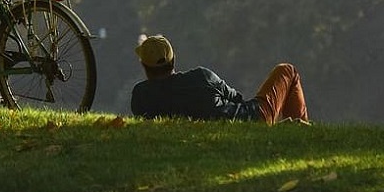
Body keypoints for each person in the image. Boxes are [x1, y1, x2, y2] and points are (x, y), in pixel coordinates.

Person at [130, 34, 309, 124]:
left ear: (145, 67)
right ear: (173, 59)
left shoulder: (140, 96)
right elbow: (237, 99)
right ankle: (304, 132)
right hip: (250, 118)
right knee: (287, 71)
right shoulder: (202, 76)